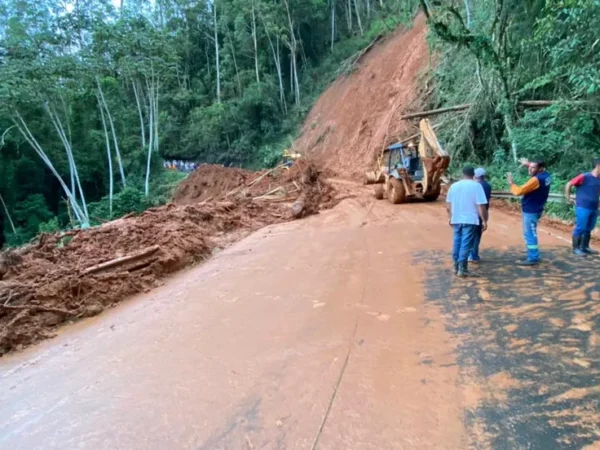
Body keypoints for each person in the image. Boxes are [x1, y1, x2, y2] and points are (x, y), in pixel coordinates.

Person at [507, 159, 551, 266]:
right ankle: (533, 255)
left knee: (530, 234)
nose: (530, 169)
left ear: (540, 168)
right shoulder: (546, 175)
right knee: (531, 232)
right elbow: (536, 171)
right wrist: (528, 165)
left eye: (533, 167)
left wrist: (511, 183)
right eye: (529, 167)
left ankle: (533, 258)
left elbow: (518, 191)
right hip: (538, 207)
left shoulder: (535, 180)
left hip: (531, 210)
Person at [446, 166, 489, 277]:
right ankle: (462, 269)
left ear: (462, 174)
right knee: (466, 244)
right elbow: (481, 206)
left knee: (457, 242)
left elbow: (448, 205)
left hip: (456, 219)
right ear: (473, 174)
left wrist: (450, 217)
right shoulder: (476, 186)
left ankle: (456, 267)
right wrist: (484, 220)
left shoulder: (454, 186)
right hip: (470, 220)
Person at [565, 158, 600, 256]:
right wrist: (568, 197)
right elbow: (569, 184)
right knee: (581, 227)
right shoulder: (584, 176)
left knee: (589, 228)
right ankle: (576, 248)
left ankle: (585, 247)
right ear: (598, 166)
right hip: (583, 207)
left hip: (594, 207)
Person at [469, 167, 492, 263]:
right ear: (484, 176)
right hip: (483, 212)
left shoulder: (474, 186)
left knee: (470, 235)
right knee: (477, 235)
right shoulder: (488, 186)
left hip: (474, 212)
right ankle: (474, 255)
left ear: (475, 176)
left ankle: (471, 255)